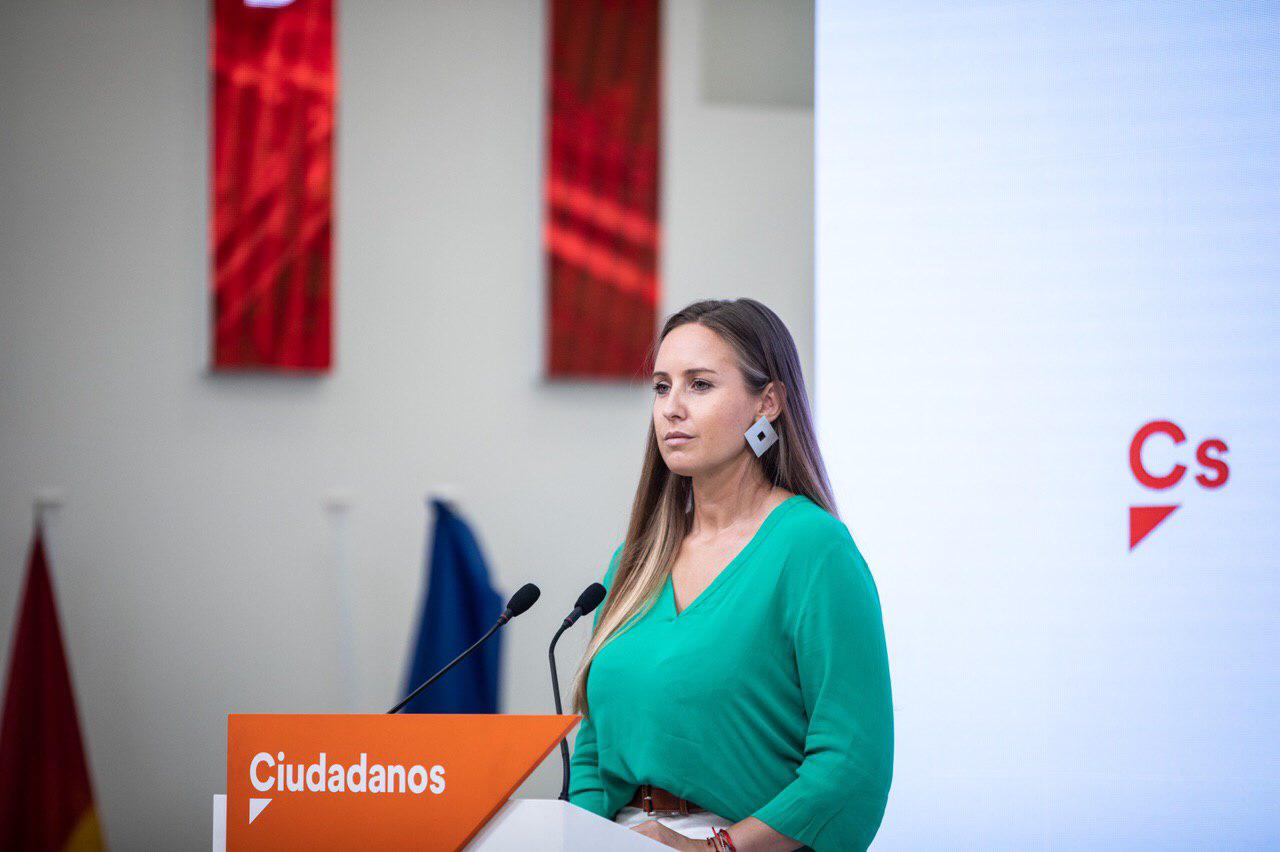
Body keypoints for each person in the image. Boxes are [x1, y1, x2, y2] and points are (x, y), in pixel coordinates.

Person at [566, 299, 894, 852]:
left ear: (767, 403)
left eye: (699, 385)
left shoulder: (813, 549)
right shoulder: (633, 559)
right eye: (661, 386)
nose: (672, 408)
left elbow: (850, 763)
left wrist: (720, 848)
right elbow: (594, 753)